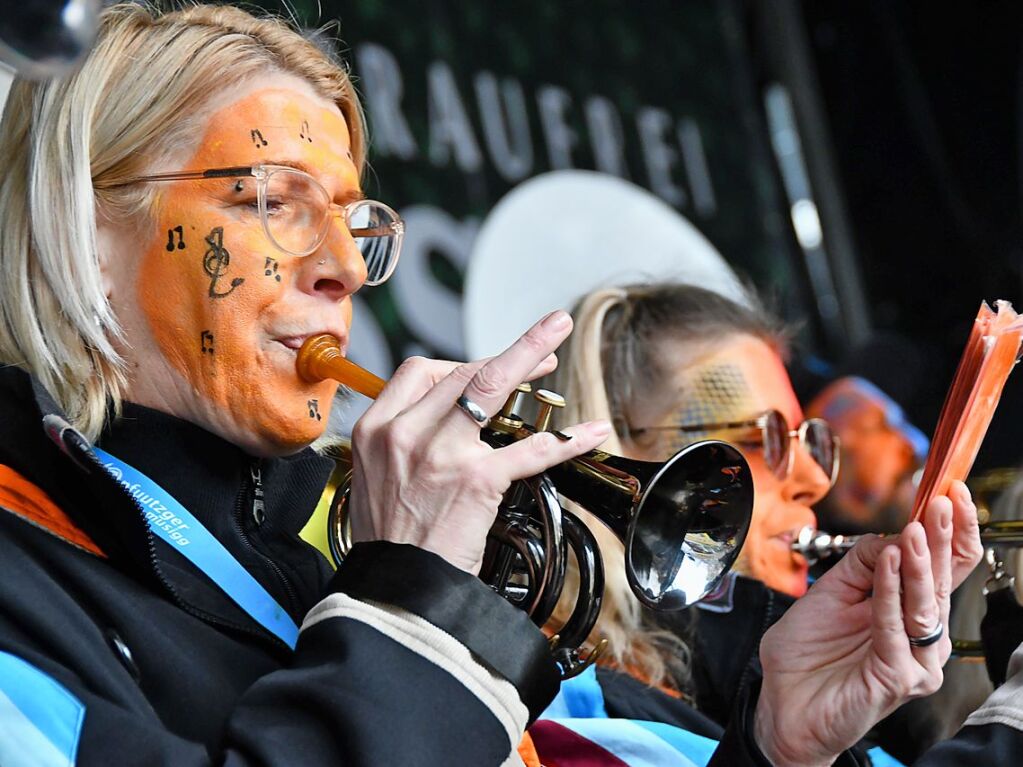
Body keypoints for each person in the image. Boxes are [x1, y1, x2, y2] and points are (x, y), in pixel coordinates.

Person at [0, 4, 986, 766]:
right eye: (269, 200)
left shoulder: (328, 539)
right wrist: (405, 616)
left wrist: (775, 744)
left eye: (355, 221)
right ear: (75, 228)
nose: (343, 265)